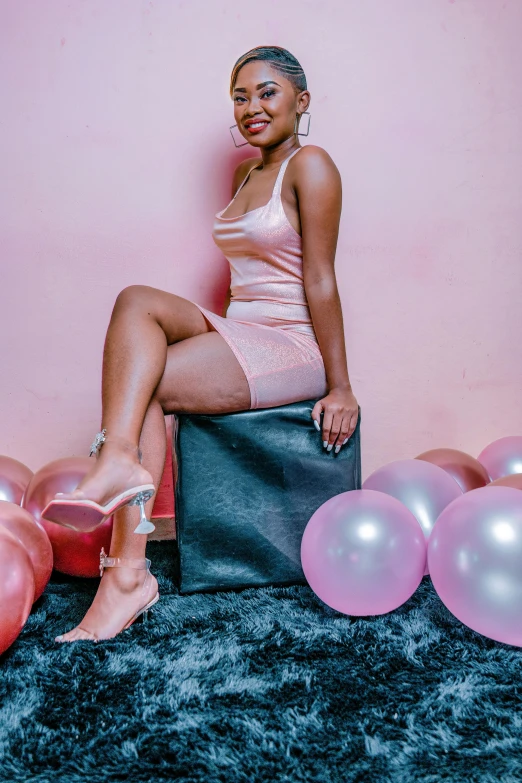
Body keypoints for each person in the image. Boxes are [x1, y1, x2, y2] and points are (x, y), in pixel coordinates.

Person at [43, 45, 359, 643]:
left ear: (302, 100)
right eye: (240, 97)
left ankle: (127, 576)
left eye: (267, 92)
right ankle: (116, 465)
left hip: (290, 345)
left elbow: (319, 278)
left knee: (150, 388)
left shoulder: (311, 164)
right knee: (136, 300)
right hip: (243, 328)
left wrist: (340, 383)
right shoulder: (248, 175)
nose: (251, 107)